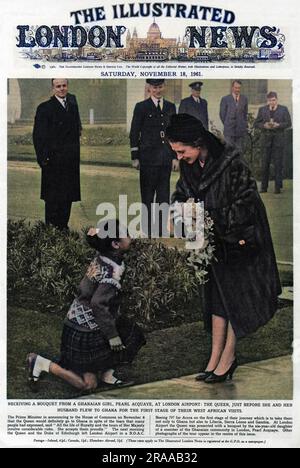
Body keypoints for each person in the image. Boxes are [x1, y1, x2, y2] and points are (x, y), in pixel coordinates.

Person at [167, 114, 281, 384]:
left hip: (242, 239)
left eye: (182, 151)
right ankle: (214, 357)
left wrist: (206, 214)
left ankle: (228, 358)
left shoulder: (232, 161)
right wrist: (179, 209)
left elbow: (247, 203)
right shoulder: (192, 163)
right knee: (218, 296)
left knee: (235, 298)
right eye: (176, 152)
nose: (180, 157)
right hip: (214, 240)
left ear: (197, 142)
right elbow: (181, 193)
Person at [27, 220, 146, 393]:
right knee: (89, 385)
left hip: (75, 325)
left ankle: (107, 375)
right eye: (127, 235)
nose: (131, 237)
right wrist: (112, 336)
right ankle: (41, 363)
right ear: (115, 244)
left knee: (130, 330)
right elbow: (98, 304)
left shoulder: (104, 255)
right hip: (84, 334)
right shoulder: (111, 271)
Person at [130, 79, 178, 236]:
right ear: (149, 88)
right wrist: (135, 156)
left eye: (160, 87)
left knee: (163, 196)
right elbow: (134, 133)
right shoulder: (141, 107)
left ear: (164, 87)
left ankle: (160, 229)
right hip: (148, 159)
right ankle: (147, 229)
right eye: (155, 87)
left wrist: (175, 157)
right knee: (148, 196)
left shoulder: (170, 107)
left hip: (165, 159)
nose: (158, 90)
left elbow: (173, 134)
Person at [33, 79, 82, 230]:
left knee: (67, 198)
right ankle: (52, 233)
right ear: (53, 88)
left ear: (68, 86)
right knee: (53, 199)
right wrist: (44, 160)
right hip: (53, 162)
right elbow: (38, 136)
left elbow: (77, 128)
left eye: (64, 86)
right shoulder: (45, 108)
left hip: (70, 161)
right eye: (58, 86)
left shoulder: (72, 104)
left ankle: (63, 228)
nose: (62, 89)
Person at [254, 92, 292, 194]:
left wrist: (278, 125)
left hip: (278, 140)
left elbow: (289, 123)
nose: (272, 102)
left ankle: (277, 187)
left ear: (277, 100)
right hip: (265, 140)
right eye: (270, 100)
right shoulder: (262, 110)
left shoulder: (283, 109)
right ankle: (263, 187)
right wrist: (264, 125)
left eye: (274, 100)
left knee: (278, 164)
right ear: (267, 101)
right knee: (265, 164)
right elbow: (256, 123)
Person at [219, 80, 248, 154]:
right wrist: (227, 123)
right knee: (229, 152)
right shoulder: (225, 99)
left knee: (239, 152)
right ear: (232, 88)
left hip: (240, 130)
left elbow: (245, 114)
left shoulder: (244, 99)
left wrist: (243, 124)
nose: (237, 90)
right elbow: (222, 114)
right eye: (236, 88)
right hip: (229, 130)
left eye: (239, 88)